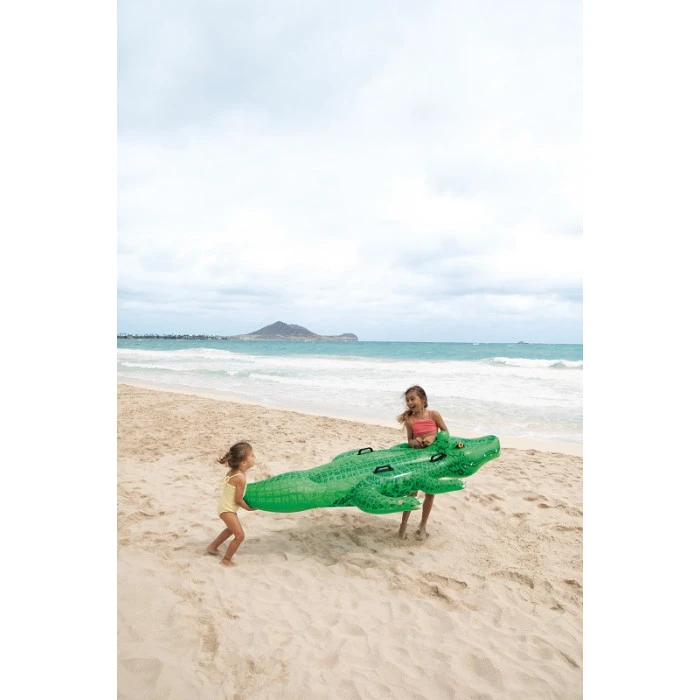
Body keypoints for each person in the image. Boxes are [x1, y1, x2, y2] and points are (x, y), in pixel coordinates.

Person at [396, 385, 448, 540]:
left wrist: (432, 437)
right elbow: (410, 440)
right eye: (407, 400)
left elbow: (445, 433)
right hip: (417, 460)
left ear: (423, 399)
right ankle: (403, 526)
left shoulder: (434, 415)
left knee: (430, 493)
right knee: (412, 492)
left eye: (412, 399)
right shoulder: (409, 420)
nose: (409, 402)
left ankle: (422, 526)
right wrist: (415, 442)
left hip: (433, 460)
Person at [207, 441, 258, 567]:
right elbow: (238, 500)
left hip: (225, 507)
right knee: (240, 536)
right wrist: (249, 508)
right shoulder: (240, 477)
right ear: (243, 462)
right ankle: (226, 560)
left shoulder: (234, 472)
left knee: (230, 530)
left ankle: (212, 547)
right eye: (252, 455)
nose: (254, 457)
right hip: (227, 510)